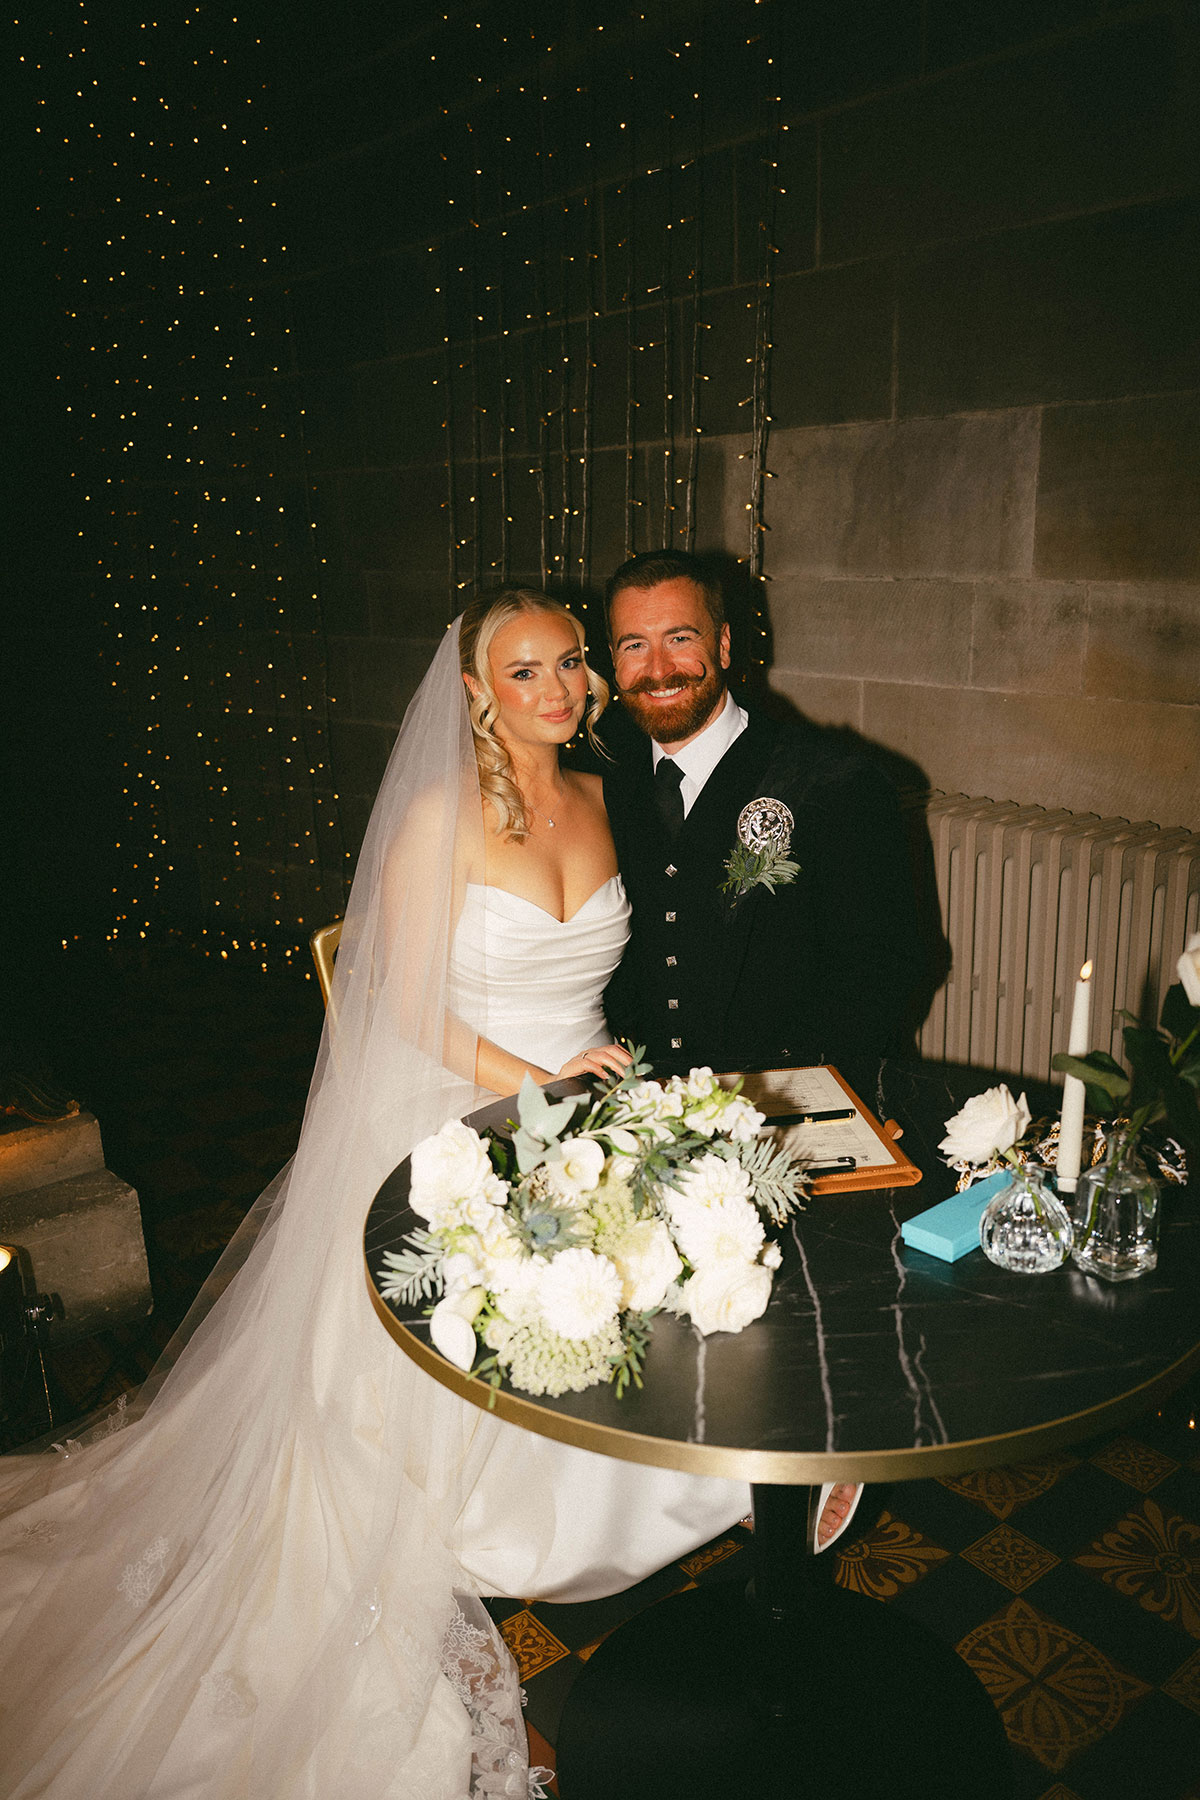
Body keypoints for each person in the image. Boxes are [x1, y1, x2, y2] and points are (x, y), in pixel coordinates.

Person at [0, 589, 748, 1800]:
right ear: (473, 691)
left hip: (582, 1103)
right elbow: (403, 1009)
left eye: (567, 663)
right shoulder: (438, 822)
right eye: (522, 673)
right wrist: (538, 1089)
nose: (555, 689)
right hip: (457, 1100)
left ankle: (689, 1504)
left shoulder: (615, 796)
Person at [600, 549, 924, 1551]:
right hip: (645, 1104)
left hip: (791, 1113)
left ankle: (814, 1470)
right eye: (633, 644)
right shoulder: (599, 771)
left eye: (682, 637)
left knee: (797, 1348)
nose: (659, 667)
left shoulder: (831, 781)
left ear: (729, 644)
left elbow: (898, 964)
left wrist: (801, 1105)